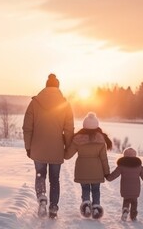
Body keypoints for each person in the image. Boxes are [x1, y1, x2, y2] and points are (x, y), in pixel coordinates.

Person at [22, 73, 74, 219]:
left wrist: (28, 146)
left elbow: (27, 127)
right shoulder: (65, 104)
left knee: (40, 175)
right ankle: (53, 208)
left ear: (46, 86)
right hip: (56, 149)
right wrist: (68, 148)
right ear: (58, 87)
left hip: (38, 147)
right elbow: (69, 129)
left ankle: (42, 197)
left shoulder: (35, 103)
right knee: (54, 178)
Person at [65, 112, 112, 219]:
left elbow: (67, 155)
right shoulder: (101, 140)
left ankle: (86, 204)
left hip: (82, 169)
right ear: (96, 125)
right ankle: (96, 207)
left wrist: (61, 150)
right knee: (96, 189)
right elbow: (104, 159)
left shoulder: (77, 139)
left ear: (84, 125)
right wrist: (106, 172)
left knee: (85, 188)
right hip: (97, 170)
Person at [106, 147, 143, 221]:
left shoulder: (121, 166)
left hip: (125, 189)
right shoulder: (139, 166)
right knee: (134, 202)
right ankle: (133, 215)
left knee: (126, 200)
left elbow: (114, 175)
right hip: (135, 190)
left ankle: (125, 210)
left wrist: (108, 177)